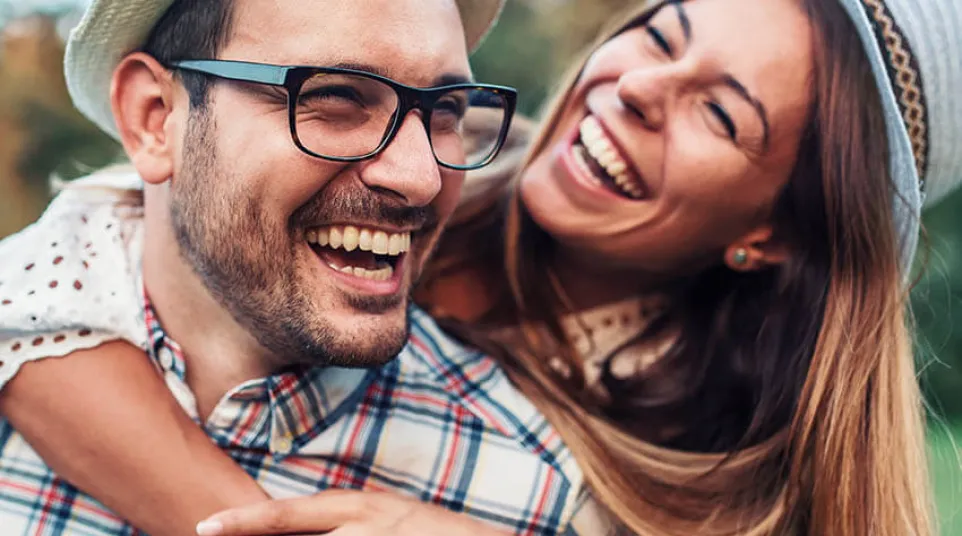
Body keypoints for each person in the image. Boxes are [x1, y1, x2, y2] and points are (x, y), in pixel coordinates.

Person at [2, 0, 960, 534]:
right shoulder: (430, 169)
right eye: (659, 36)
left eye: (723, 115)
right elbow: (86, 254)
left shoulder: (700, 480)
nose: (637, 88)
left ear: (774, 235)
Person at [0, 0, 607, 534]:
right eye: (335, 96)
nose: (421, 177)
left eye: (446, 110)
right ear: (156, 117)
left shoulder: (534, 497)